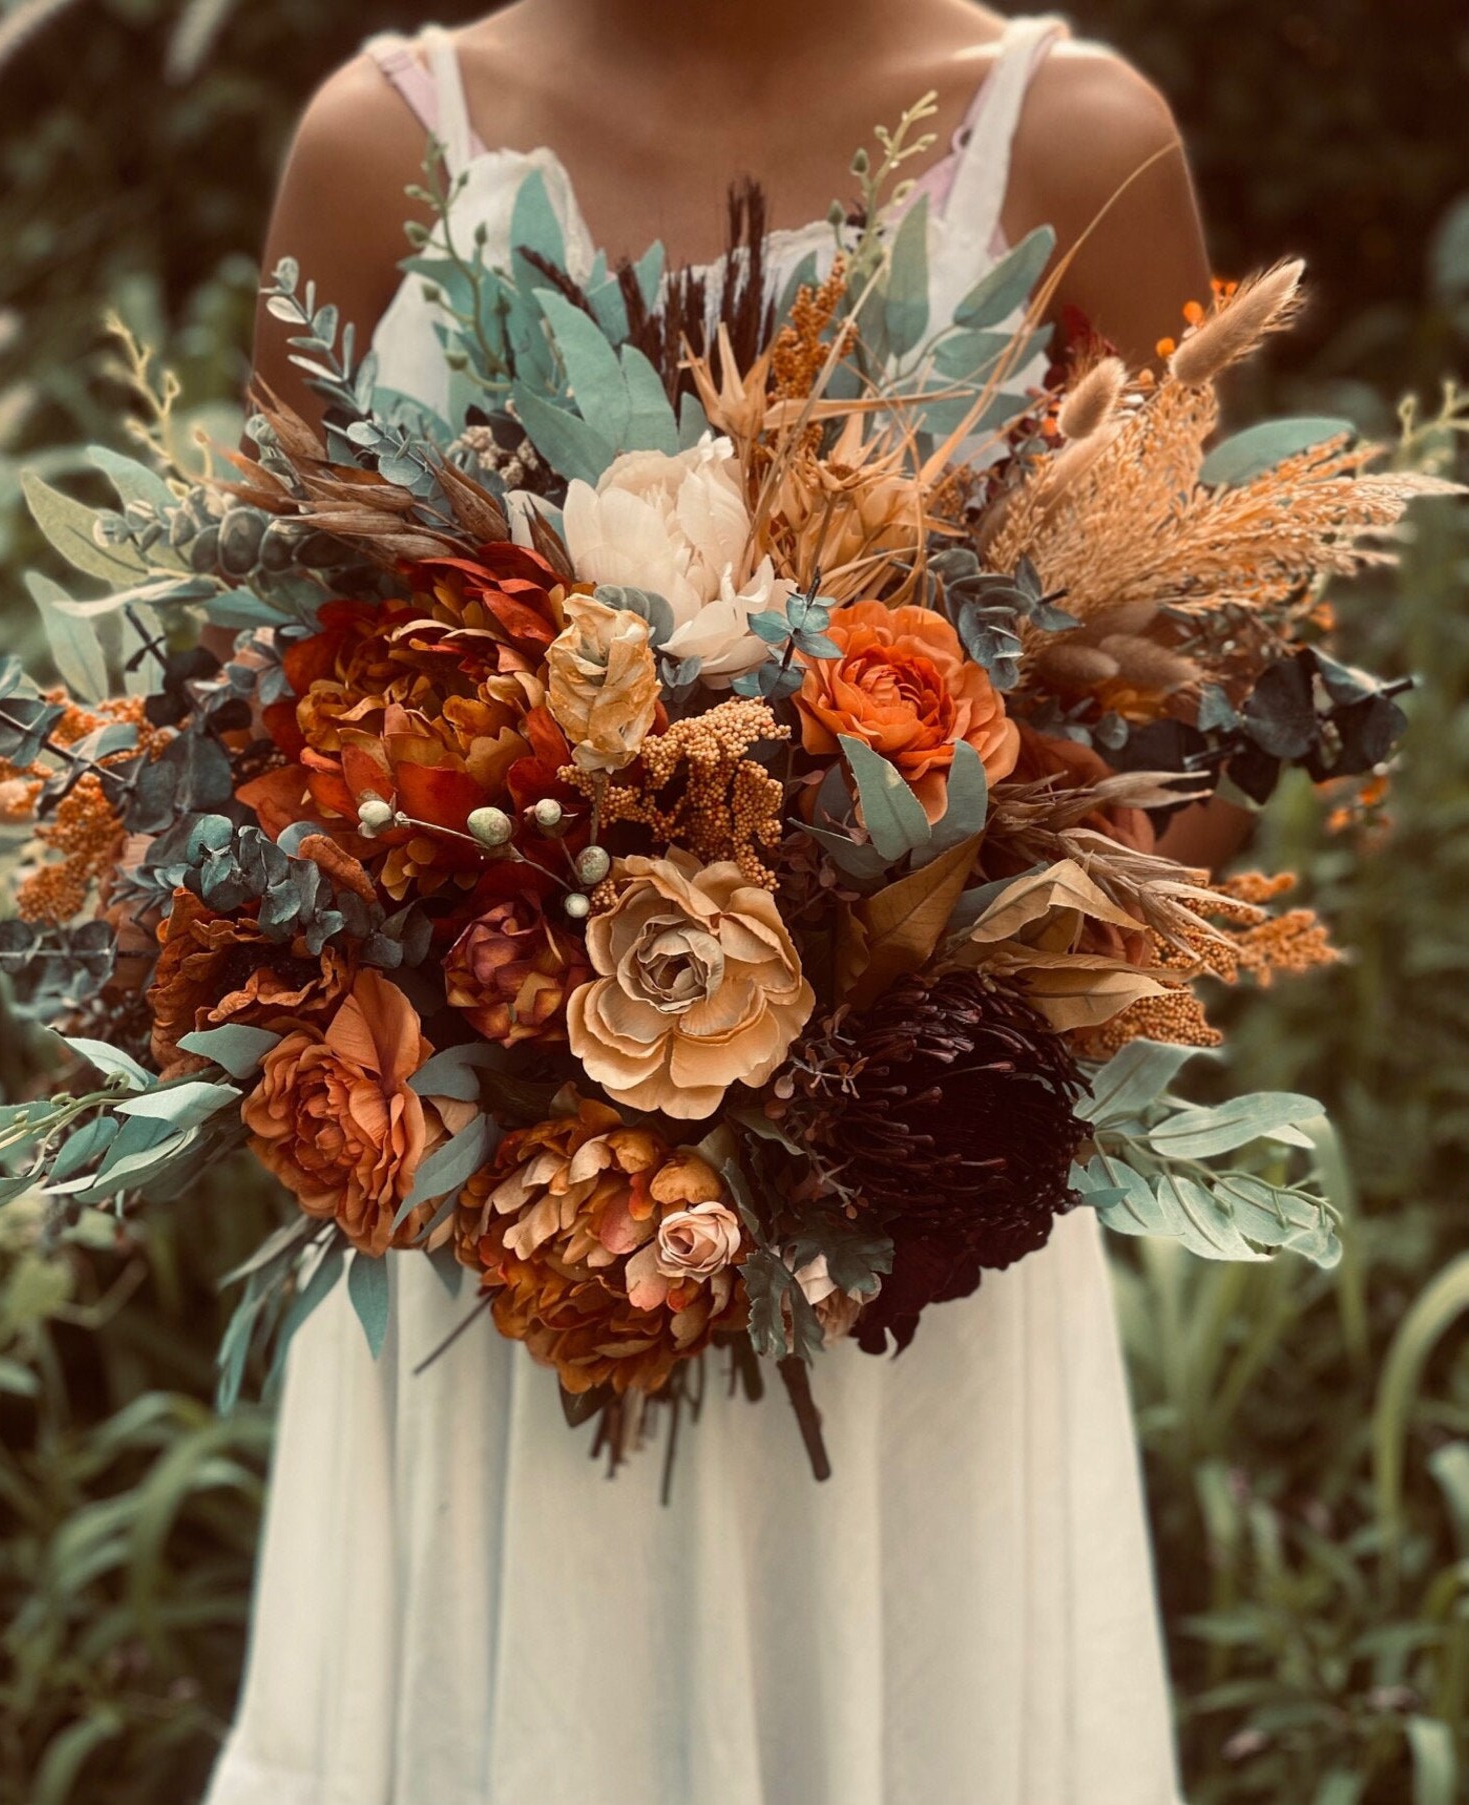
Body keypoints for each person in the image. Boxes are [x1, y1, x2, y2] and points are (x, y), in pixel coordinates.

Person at [208, 6, 1222, 1801]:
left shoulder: (1069, 141)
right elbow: (259, 749)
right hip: (502, 1279)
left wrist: (887, 968)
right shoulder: (381, 150)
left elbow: (1193, 783)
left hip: (911, 1276)